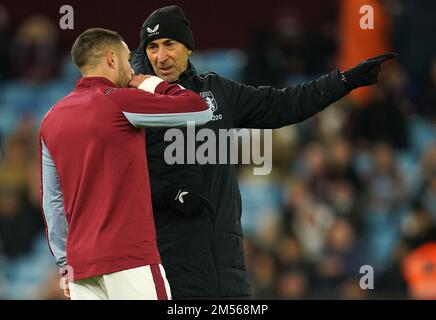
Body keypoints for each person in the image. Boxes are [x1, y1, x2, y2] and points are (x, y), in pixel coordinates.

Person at [131, 5, 397, 299]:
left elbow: (286, 105)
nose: (161, 56)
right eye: (152, 47)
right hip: (172, 263)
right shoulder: (136, 106)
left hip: (227, 259)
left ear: (189, 47)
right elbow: (125, 179)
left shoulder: (217, 91)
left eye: (169, 44)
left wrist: (345, 81)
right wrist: (170, 194)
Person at [39, 28, 212, 300]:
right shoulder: (119, 102)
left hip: (81, 267)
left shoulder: (50, 119)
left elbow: (52, 202)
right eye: (127, 59)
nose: (131, 70)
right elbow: (200, 109)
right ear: (111, 59)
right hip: (130, 259)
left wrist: (65, 267)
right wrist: (154, 85)